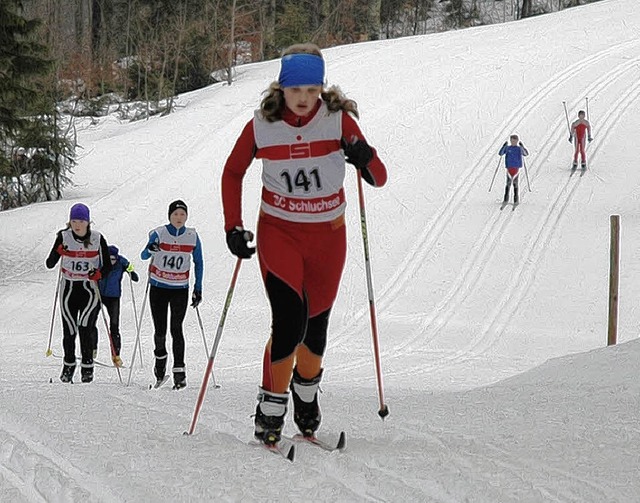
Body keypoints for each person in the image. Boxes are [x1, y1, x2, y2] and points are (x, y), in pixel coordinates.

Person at [221, 42, 388, 446]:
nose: (304, 99)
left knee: (315, 331)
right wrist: (233, 227)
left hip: (328, 237)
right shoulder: (262, 125)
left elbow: (378, 177)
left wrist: (363, 155)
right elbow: (232, 172)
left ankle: (306, 398)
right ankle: (270, 409)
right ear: (281, 88)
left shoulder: (338, 120)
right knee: (289, 319)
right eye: (297, 90)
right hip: (279, 232)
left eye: (313, 90)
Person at [45, 203, 112, 383]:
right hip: (68, 289)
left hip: (89, 290)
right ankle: (68, 365)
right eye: (74, 220)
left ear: (88, 222)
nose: (77, 225)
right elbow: (50, 263)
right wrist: (58, 252)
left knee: (84, 327)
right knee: (69, 330)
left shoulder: (98, 239)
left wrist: (99, 274)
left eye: (81, 221)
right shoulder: (64, 236)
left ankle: (87, 367)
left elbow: (108, 266)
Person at [140, 200, 203, 389]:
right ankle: (160, 369)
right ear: (169, 216)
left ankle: (179, 372)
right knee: (160, 330)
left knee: (177, 328)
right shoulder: (159, 233)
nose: (179, 218)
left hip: (180, 289)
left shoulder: (192, 236)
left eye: (182, 214)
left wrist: (197, 288)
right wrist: (151, 249)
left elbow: (198, 262)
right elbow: (144, 255)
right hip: (159, 287)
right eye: (175, 214)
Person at [95, 245, 139, 366]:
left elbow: (130, 270)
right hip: (99, 295)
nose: (111, 261)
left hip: (114, 297)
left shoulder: (122, 262)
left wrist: (132, 273)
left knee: (114, 326)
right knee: (91, 322)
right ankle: (91, 349)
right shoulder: (99, 261)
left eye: (113, 259)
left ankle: (116, 355)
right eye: (109, 259)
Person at [498, 134, 529, 205]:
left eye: (514, 141)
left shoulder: (519, 149)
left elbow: (525, 154)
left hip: (516, 168)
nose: (513, 142)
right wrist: (503, 146)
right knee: (508, 184)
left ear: (517, 141)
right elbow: (500, 153)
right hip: (509, 168)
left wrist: (522, 147)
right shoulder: (508, 148)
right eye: (512, 141)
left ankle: (516, 200)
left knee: (515, 184)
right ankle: (505, 199)